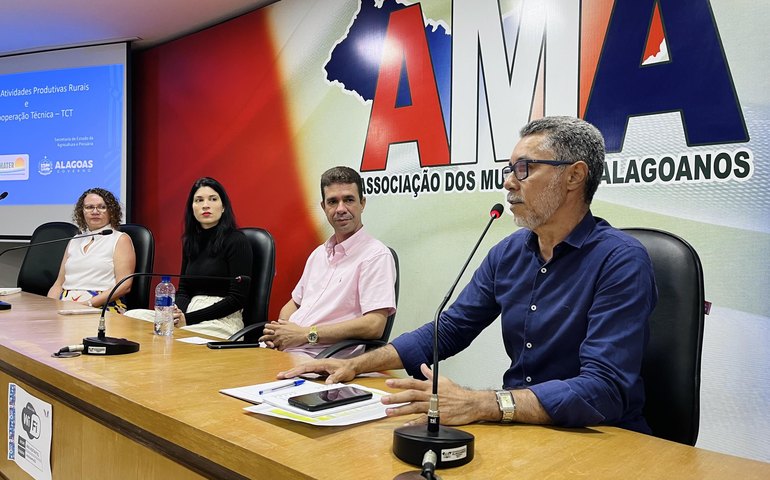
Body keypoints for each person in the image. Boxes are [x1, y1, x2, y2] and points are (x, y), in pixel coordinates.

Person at [278, 117, 658, 433]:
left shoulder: (620, 260)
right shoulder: (507, 253)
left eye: (525, 168)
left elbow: (603, 388)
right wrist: (354, 364)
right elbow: (451, 328)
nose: (509, 181)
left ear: (574, 176)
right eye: (509, 169)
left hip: (601, 438)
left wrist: (484, 402)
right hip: (518, 425)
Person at [259, 166, 397, 357]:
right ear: (324, 207)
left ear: (362, 203)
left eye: (348, 200)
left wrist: (306, 335)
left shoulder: (375, 256)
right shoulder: (318, 254)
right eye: (333, 201)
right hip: (285, 352)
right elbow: (293, 304)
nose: (341, 209)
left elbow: (374, 325)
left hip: (319, 359)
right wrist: (283, 332)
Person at [124, 177, 252, 339]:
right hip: (188, 314)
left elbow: (237, 299)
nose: (206, 205)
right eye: (199, 200)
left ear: (224, 206)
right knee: (132, 316)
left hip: (221, 320)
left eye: (213, 199)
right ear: (192, 208)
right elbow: (184, 289)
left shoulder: (237, 240)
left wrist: (189, 319)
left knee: (183, 336)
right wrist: (177, 311)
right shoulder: (191, 242)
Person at [48, 187, 136, 313]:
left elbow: (124, 286)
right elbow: (58, 284)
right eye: (89, 207)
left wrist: (87, 304)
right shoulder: (75, 240)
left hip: (103, 306)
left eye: (102, 207)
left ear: (111, 211)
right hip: (66, 305)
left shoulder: (120, 239)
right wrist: (49, 306)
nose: (95, 211)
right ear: (82, 212)